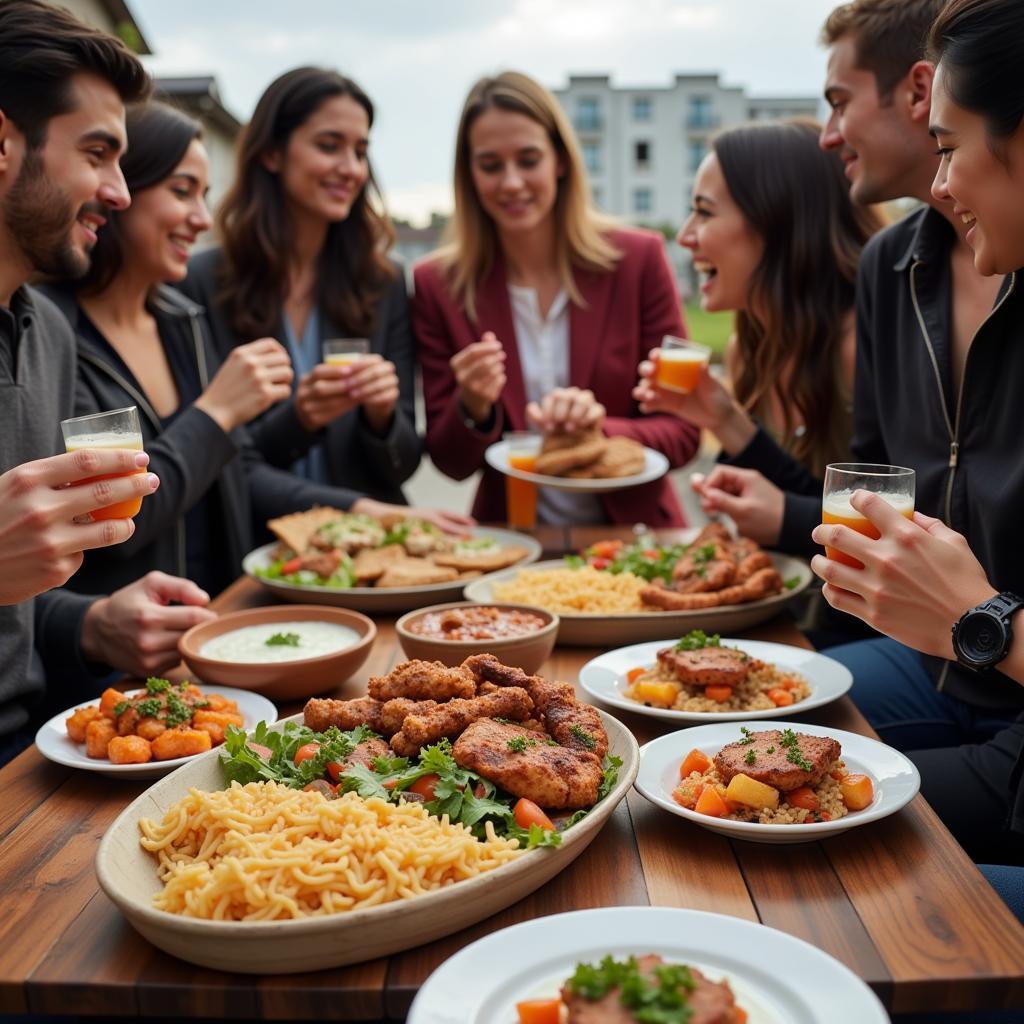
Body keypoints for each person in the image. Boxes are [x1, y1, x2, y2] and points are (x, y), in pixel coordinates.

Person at [43, 101, 471, 599]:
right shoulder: (62, 329)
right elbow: (111, 516)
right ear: (119, 194)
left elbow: (237, 469)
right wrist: (224, 411)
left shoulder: (181, 321)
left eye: (360, 151)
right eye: (182, 192)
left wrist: (364, 492)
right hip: (145, 626)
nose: (202, 219)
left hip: (225, 603)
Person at [0, 0, 216, 767]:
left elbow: (18, 602)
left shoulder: (47, 333)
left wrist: (90, 624)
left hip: (35, 754)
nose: (119, 192)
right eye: (97, 153)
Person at [412, 71, 699, 526]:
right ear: (468, 174)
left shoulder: (638, 260)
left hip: (638, 542)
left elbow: (685, 434)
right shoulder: (438, 284)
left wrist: (597, 431)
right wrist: (472, 406)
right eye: (490, 165)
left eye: (528, 160)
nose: (511, 182)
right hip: (513, 545)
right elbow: (451, 462)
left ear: (561, 160)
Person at [183, 67, 420, 503]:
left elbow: (404, 464)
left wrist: (382, 417)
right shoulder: (201, 283)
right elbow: (216, 462)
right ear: (272, 153)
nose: (350, 168)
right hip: (256, 550)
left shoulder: (382, 281)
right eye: (329, 146)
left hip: (371, 551)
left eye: (361, 151)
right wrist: (301, 419)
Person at [632, 118, 880, 484]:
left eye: (704, 212)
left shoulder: (859, 350)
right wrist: (723, 420)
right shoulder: (748, 351)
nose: (685, 236)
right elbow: (788, 492)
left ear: (777, 223)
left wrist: (779, 517)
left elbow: (886, 519)